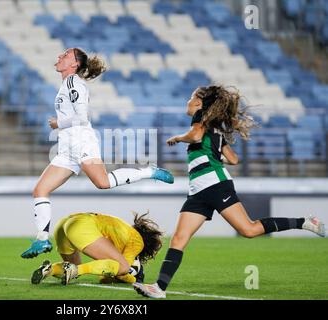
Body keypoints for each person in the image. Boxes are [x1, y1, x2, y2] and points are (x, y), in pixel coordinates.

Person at [133, 85, 326, 299]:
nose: (187, 102)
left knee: (249, 230)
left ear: (199, 102)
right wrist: (216, 155)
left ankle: (306, 222)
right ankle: (159, 288)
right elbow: (234, 159)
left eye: (190, 98)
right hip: (198, 190)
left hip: (215, 184)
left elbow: (196, 136)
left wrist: (178, 138)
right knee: (179, 237)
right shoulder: (214, 127)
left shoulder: (200, 118)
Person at [21, 48, 174, 259]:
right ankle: (41, 240)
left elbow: (82, 117)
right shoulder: (67, 83)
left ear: (74, 64)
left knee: (102, 183)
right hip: (66, 149)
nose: (59, 56)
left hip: (81, 142)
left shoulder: (74, 82)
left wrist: (58, 123)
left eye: (65, 55)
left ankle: (149, 172)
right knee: (40, 190)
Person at [31, 212, 163, 285]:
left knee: (73, 265)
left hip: (65, 222)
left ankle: (49, 269)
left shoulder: (124, 232)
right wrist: (133, 280)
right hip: (81, 225)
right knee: (121, 266)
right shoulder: (137, 242)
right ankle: (75, 270)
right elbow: (122, 270)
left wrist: (110, 276)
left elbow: (104, 272)